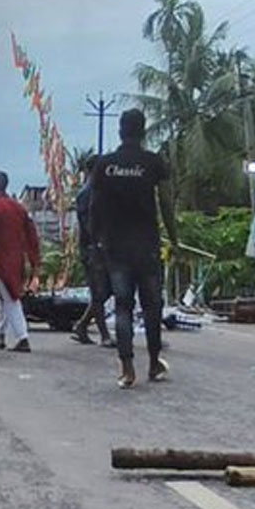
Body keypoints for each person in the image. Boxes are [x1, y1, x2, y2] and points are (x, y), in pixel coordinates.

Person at [90, 109, 177, 389]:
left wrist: (96, 241)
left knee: (123, 307)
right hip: (147, 246)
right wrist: (173, 236)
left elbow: (93, 207)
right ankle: (153, 363)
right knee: (152, 307)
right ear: (143, 131)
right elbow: (166, 202)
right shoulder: (152, 163)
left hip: (116, 248)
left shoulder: (104, 165)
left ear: (119, 131)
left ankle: (127, 368)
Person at [0, 170, 41, 353]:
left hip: (0, 259)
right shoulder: (19, 208)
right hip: (18, 259)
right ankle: (0, 334)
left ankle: (22, 337)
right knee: (6, 297)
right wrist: (35, 263)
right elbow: (32, 236)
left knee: (10, 299)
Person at [72, 155, 112, 347]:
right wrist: (98, 242)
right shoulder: (87, 193)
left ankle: (82, 324)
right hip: (92, 247)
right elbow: (89, 223)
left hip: (101, 246)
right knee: (99, 291)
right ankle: (104, 334)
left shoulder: (99, 192)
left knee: (107, 290)